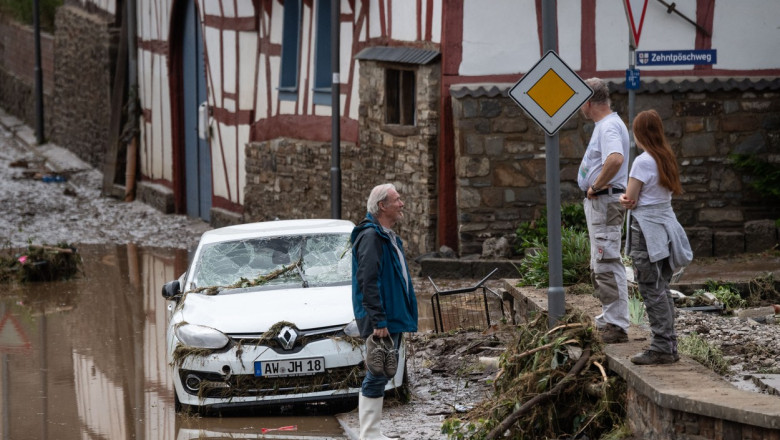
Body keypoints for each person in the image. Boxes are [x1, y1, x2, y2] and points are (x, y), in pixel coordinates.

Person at [620, 109, 693, 365]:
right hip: (665, 229)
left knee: (651, 290)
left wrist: (620, 197)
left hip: (646, 232)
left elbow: (630, 199)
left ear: (639, 134)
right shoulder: (665, 157)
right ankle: (669, 345)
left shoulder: (642, 161)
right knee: (662, 288)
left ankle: (662, 347)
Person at [351, 183, 418, 440]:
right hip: (382, 320)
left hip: (391, 316)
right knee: (377, 373)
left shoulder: (385, 235)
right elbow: (368, 281)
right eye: (397, 200)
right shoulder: (370, 237)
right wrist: (379, 319)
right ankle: (369, 435)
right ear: (382, 206)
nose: (402, 204)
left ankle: (372, 433)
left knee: (382, 372)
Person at [577, 78, 631, 343]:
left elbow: (615, 158)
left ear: (588, 102)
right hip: (603, 201)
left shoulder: (608, 126)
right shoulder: (607, 124)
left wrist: (596, 186)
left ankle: (617, 324)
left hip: (604, 200)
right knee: (602, 260)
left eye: (580, 103)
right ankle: (611, 317)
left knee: (607, 261)